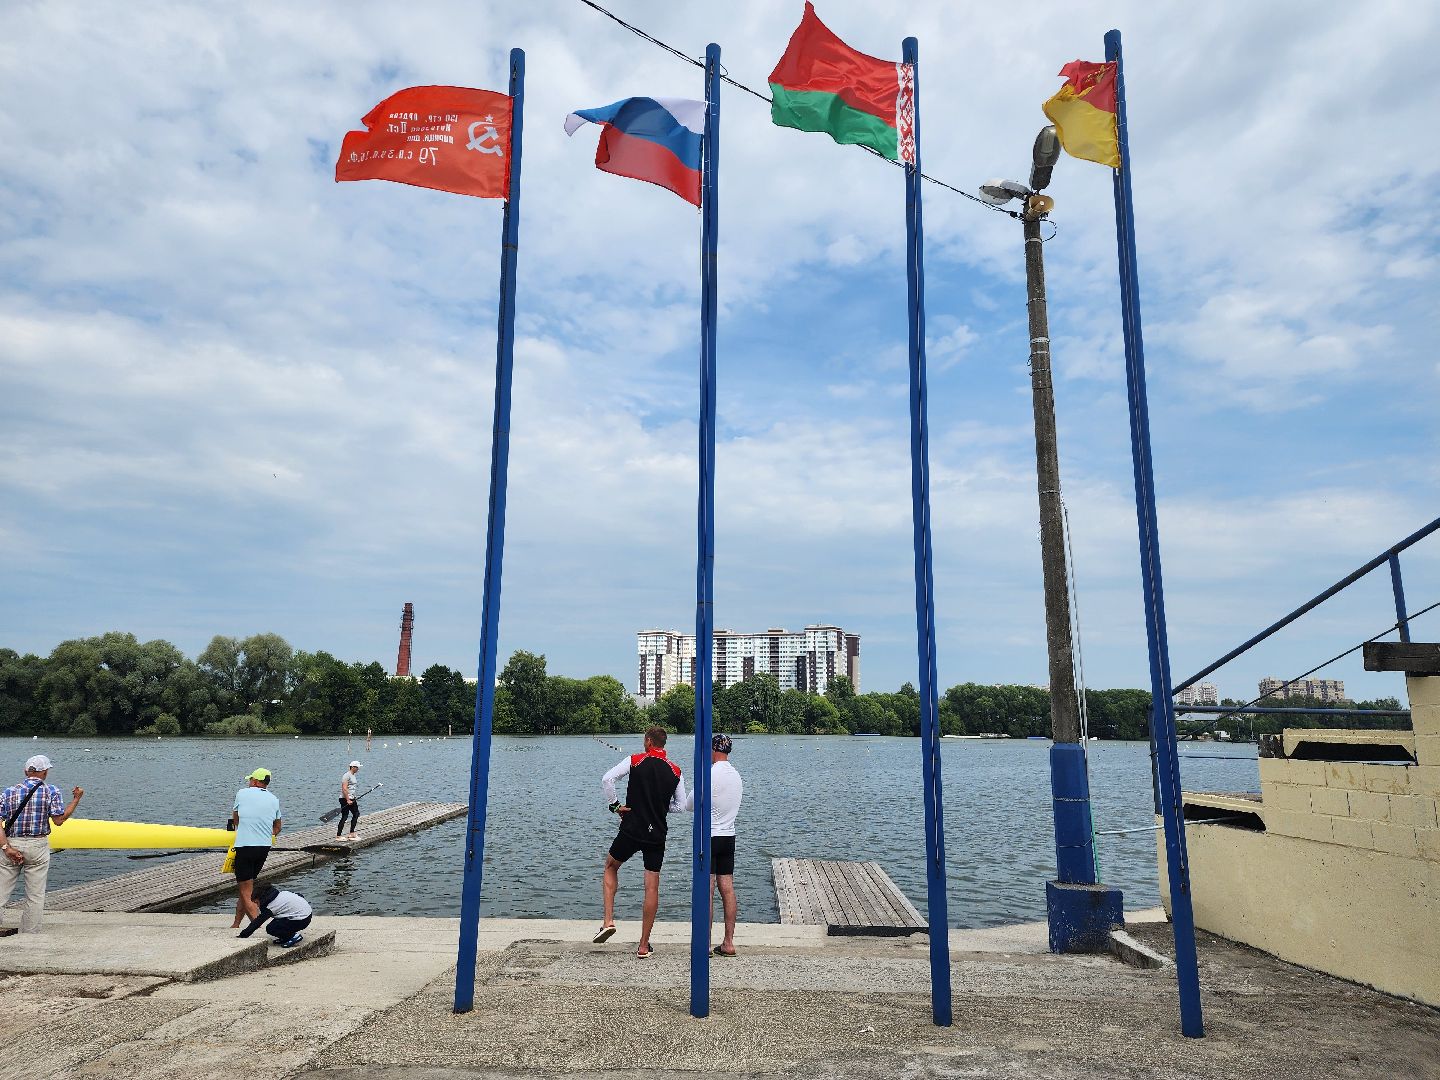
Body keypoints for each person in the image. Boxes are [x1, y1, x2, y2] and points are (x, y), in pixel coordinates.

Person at [596, 726, 684, 958]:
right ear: (663, 745)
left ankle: (608, 922)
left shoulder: (635, 760)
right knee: (652, 885)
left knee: (611, 866)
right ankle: (644, 946)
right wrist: (661, 808)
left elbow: (608, 779)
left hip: (632, 828)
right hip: (657, 834)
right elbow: (680, 806)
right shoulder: (676, 771)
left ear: (648, 742)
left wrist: (615, 805)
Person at [0, 755, 83, 934]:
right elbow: (59, 820)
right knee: (35, 895)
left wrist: (6, 847)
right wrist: (76, 799)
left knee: (1, 891)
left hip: (11, 844)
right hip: (37, 846)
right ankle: (29, 935)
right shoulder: (51, 791)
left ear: (25, 771)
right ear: (44, 772)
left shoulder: (8, 792)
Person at [685, 733, 744, 956]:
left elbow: (690, 804)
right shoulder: (736, 776)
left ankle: (706, 944)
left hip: (710, 836)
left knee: (707, 890)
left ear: (713, 749)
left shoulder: (710, 773)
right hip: (729, 835)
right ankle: (728, 942)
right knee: (727, 888)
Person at [229, 768, 281, 929]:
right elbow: (278, 827)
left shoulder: (242, 793)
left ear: (255, 781)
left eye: (250, 779)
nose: (249, 782)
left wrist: (245, 828)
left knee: (246, 892)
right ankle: (236, 924)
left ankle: (261, 928)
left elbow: (235, 819)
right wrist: (263, 833)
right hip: (264, 847)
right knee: (246, 886)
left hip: (245, 847)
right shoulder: (274, 799)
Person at [237, 883, 312, 947]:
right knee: (276, 922)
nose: (257, 905)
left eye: (256, 902)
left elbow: (257, 922)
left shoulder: (271, 906)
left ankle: (292, 936)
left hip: (301, 919)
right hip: (307, 914)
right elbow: (300, 895)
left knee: (271, 928)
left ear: (261, 898)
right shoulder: (281, 894)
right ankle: (285, 937)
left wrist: (243, 935)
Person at [337, 760, 362, 840]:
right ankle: (338, 836)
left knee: (356, 814)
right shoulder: (346, 775)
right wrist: (348, 799)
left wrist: (353, 797)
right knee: (345, 816)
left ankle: (352, 833)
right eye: (357, 767)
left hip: (351, 798)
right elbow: (344, 789)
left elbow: (351, 788)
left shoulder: (352, 775)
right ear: (353, 767)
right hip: (345, 799)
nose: (358, 769)